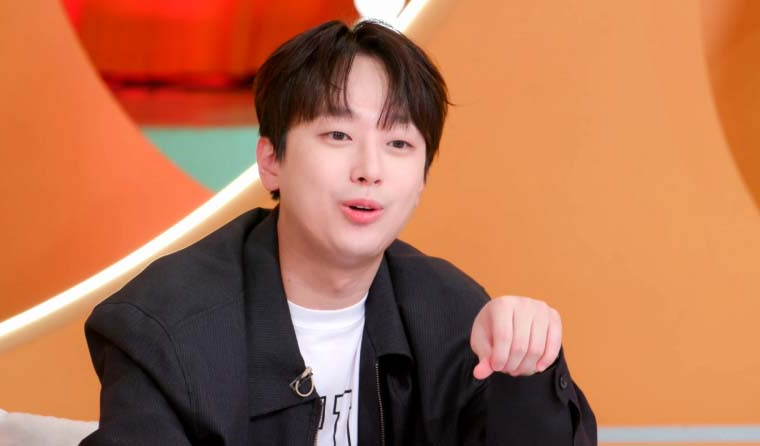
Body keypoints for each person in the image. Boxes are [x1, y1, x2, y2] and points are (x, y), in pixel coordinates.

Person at [80, 20, 596, 446]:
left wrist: (525, 373)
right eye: (338, 134)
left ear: (422, 179)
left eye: (398, 144)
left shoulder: (453, 315)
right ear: (271, 161)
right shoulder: (163, 328)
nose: (369, 169)